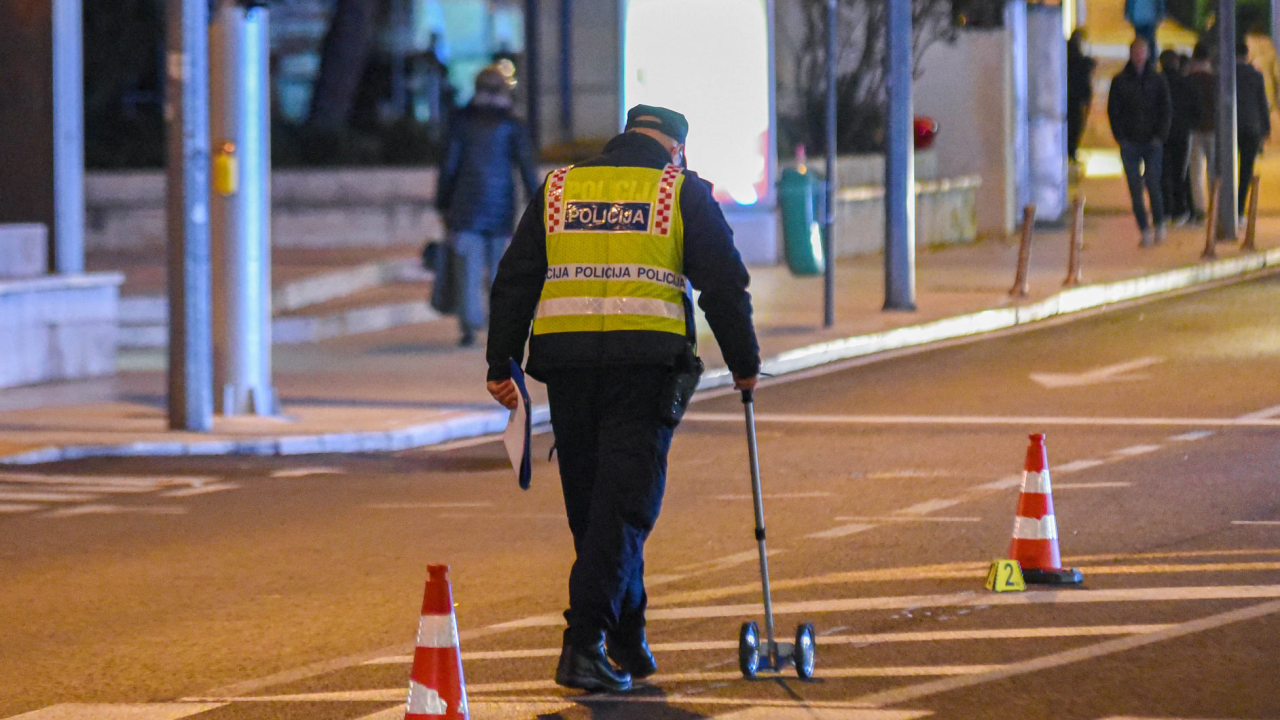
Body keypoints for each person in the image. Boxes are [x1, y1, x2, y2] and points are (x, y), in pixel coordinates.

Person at [485, 105, 761, 692]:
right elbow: (724, 283)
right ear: (675, 149)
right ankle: (583, 644)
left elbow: (515, 277)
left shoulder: (560, 187)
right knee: (626, 507)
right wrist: (745, 364)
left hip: (570, 371)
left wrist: (499, 361)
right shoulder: (679, 191)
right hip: (645, 371)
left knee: (596, 510)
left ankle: (627, 639)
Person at [435, 65, 540, 346]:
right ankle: (501, 328)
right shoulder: (512, 124)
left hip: (465, 209)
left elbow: (449, 166)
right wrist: (537, 201)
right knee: (499, 272)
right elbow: (526, 169)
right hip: (501, 209)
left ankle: (469, 328)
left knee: (468, 270)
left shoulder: (461, 121)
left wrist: (443, 203)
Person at [1108, 37, 1173, 246]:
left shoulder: (1157, 79)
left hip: (1152, 141)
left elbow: (1166, 109)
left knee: (1153, 182)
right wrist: (1121, 137)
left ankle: (1160, 222)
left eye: (1142, 52)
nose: (1139, 56)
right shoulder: (1120, 81)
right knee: (1135, 187)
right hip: (1130, 142)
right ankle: (1144, 228)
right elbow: (1113, 111)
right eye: (1136, 52)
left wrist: (1160, 136)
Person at [1159, 49, 1195, 223]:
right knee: (1180, 173)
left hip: (1161, 134)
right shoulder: (1185, 82)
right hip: (1182, 133)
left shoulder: (1158, 82)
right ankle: (1181, 209)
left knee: (1163, 172)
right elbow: (1196, 107)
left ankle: (1165, 209)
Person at [1236, 40, 1271, 216]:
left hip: (1231, 129)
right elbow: (1262, 103)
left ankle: (1228, 208)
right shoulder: (1256, 75)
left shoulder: (1226, 74)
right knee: (1246, 170)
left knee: (1228, 169)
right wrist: (1266, 129)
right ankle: (1240, 209)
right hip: (1251, 127)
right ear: (1246, 55)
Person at [1186, 42, 1216, 222]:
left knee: (1195, 172)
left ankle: (1200, 208)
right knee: (1214, 170)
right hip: (1212, 129)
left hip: (1194, 130)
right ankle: (1215, 204)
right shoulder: (1214, 80)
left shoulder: (1189, 79)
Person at [1067, 28, 1097, 164]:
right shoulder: (1076, 56)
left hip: (1073, 95)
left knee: (1074, 124)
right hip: (1076, 96)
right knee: (1076, 124)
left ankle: (1071, 150)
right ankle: (1071, 150)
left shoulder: (1067, 51)